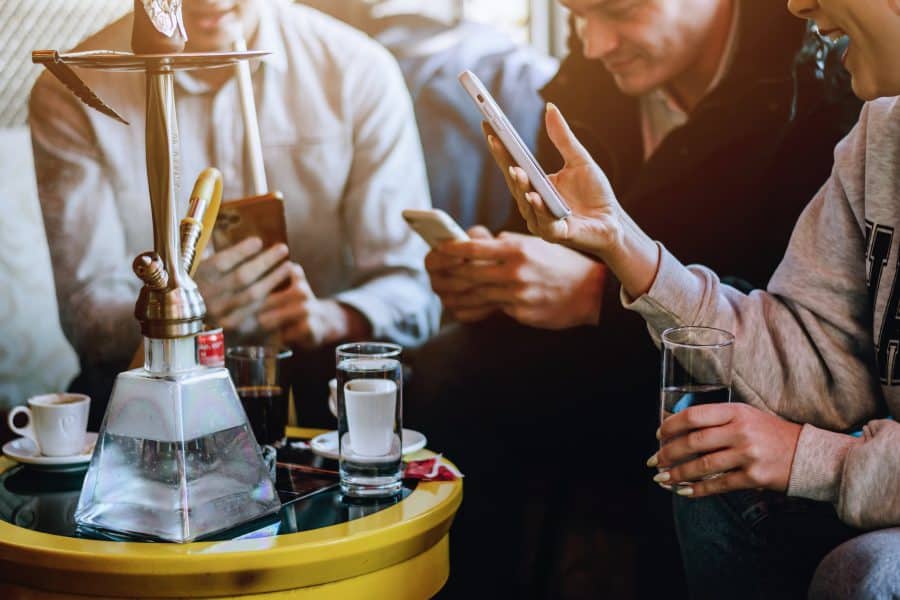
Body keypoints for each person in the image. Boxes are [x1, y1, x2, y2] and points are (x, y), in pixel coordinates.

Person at [408, 0, 859, 595]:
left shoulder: (827, 88)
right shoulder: (586, 80)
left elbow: (798, 326)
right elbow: (541, 238)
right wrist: (493, 280)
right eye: (576, 16)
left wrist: (594, 294)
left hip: (724, 378)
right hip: (590, 357)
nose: (595, 43)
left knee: (685, 437)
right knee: (440, 372)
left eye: (618, 12)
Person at [29, 0, 439, 428]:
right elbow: (88, 319)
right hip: (151, 392)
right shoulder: (73, 88)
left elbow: (412, 288)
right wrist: (181, 307)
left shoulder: (358, 70)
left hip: (316, 382)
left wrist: (330, 318)